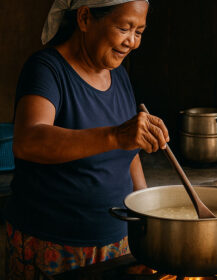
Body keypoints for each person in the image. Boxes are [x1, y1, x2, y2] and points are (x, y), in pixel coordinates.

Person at [3, 0, 170, 278]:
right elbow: (28, 140)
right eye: (124, 28)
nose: (132, 42)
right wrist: (116, 135)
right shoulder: (47, 69)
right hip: (54, 245)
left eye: (139, 31)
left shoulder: (119, 76)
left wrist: (145, 213)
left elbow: (129, 153)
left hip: (117, 242)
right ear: (84, 18)